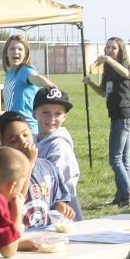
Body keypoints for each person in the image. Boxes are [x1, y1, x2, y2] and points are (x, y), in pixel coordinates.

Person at [83, 37, 130, 206]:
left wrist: (107, 60)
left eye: (113, 48)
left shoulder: (123, 65)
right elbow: (103, 93)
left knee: (115, 159)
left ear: (120, 51)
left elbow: (125, 73)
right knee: (123, 159)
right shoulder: (108, 69)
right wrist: (90, 83)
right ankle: (122, 197)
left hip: (124, 116)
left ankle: (129, 198)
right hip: (117, 117)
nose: (109, 50)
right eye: (107, 48)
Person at [0, 111, 75, 228]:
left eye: (26, 135)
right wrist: (29, 163)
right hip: (19, 239)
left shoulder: (48, 167)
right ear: (2, 146)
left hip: (44, 239)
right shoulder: (3, 175)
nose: (23, 142)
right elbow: (15, 200)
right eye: (13, 140)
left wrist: (60, 206)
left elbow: (57, 199)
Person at [33, 86, 83, 220]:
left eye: (58, 113)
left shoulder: (59, 146)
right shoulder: (33, 140)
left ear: (64, 116)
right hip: (41, 211)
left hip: (62, 216)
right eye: (46, 112)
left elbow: (49, 183)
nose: (52, 118)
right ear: (34, 114)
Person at [2, 35, 56, 135]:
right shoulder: (9, 74)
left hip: (28, 132)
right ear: (6, 53)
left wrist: (46, 83)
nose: (16, 52)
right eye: (12, 48)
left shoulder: (24, 70)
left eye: (20, 49)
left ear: (25, 53)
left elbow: (35, 77)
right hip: (12, 129)